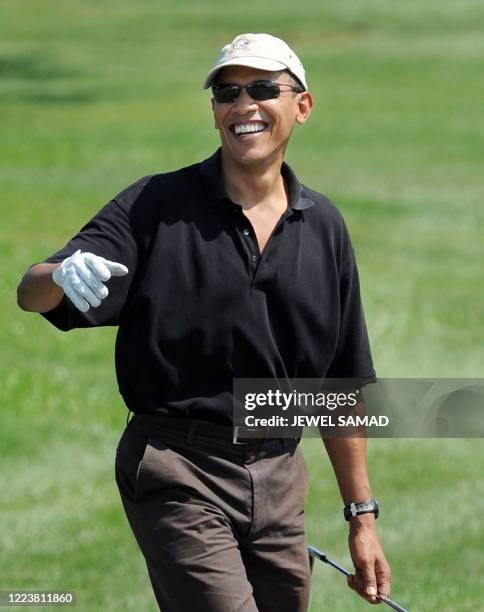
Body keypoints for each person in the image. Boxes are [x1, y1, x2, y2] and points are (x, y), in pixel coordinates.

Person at [17, 32, 391, 612]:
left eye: (263, 88)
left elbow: (339, 388)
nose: (243, 105)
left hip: (279, 477)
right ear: (215, 111)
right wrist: (60, 276)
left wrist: (362, 518)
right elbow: (31, 291)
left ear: (303, 106)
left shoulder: (325, 228)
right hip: (177, 467)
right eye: (227, 92)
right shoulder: (155, 207)